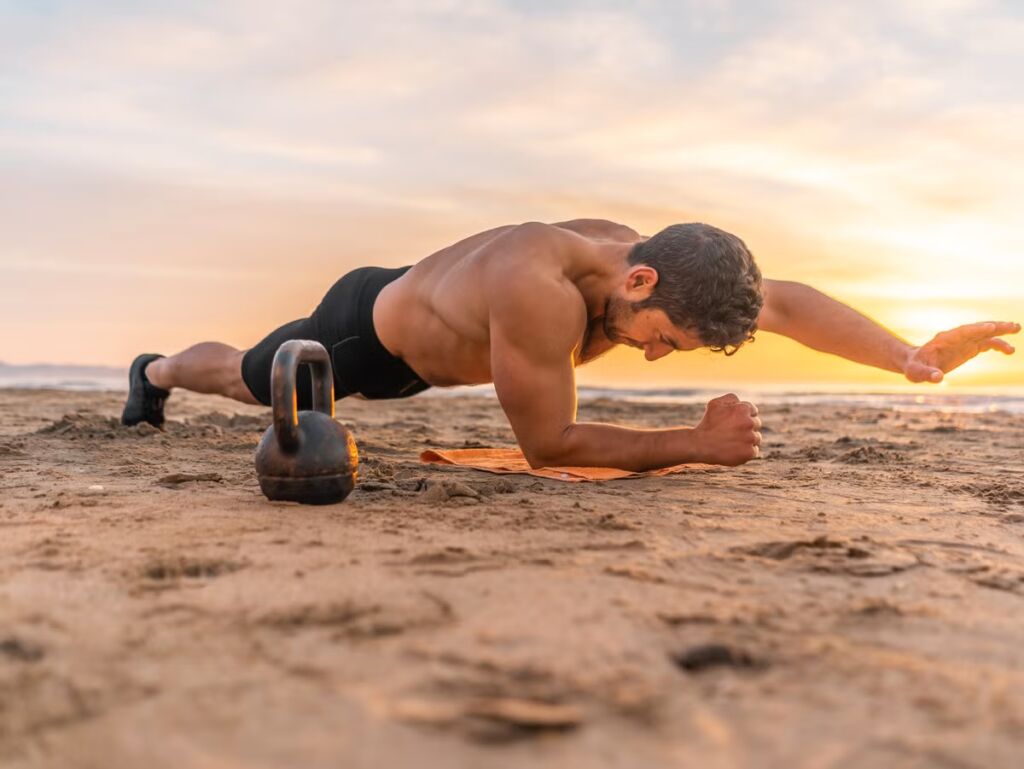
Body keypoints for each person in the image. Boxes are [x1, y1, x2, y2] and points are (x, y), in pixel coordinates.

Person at [121, 220, 1019, 471]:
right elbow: (546, 445)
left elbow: (785, 303)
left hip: (450, 315)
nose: (655, 357)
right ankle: (154, 370)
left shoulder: (652, 269)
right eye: (662, 342)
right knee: (243, 378)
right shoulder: (537, 289)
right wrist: (694, 446)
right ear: (640, 283)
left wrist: (911, 355)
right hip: (368, 335)